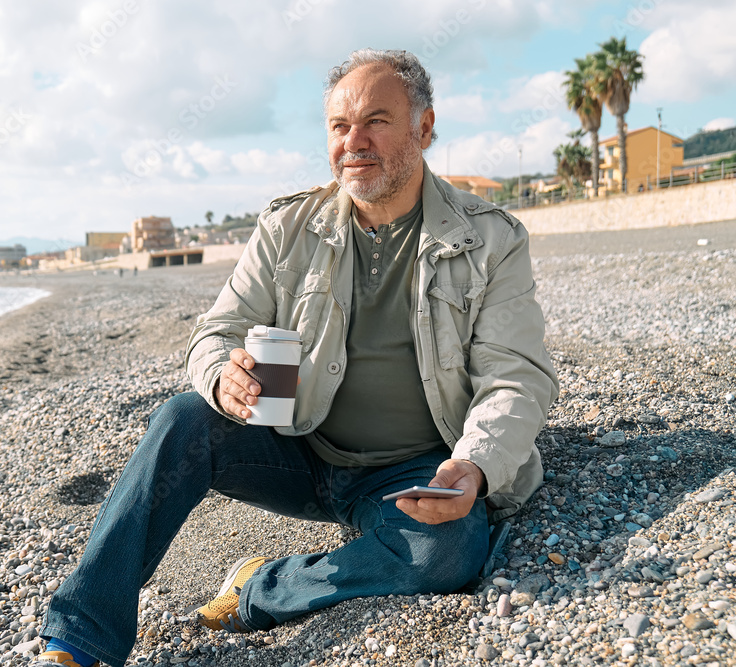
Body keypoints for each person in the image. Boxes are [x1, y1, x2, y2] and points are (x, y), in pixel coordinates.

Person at [34, 48, 559, 667]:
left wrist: (474, 465)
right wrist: (221, 376)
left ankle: (258, 587)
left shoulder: (491, 238)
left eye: (376, 121)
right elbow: (215, 333)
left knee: (446, 555)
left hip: (414, 471)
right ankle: (80, 641)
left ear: (423, 126)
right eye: (339, 126)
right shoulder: (288, 228)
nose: (353, 142)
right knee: (181, 420)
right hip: (300, 448)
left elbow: (515, 377)